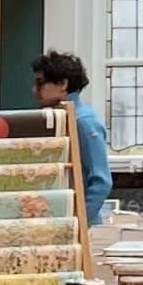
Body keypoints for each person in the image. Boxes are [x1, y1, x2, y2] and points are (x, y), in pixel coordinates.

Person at [32, 48, 111, 226]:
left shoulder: (83, 121)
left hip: (77, 227)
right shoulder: (55, 119)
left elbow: (101, 181)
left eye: (40, 82)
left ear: (63, 84)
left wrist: (79, 222)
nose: (35, 89)